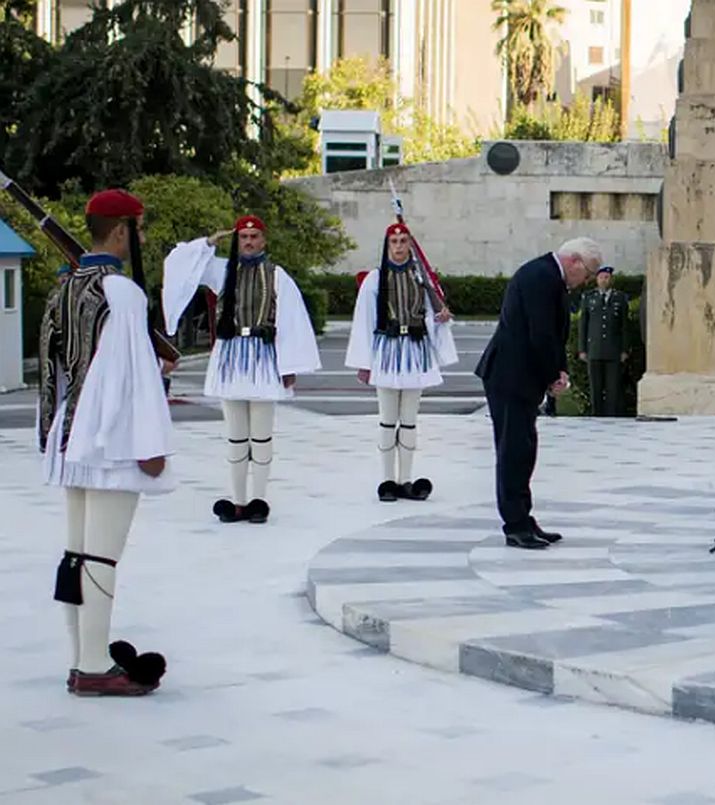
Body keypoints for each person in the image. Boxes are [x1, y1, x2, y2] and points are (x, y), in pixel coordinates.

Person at [38, 188, 174, 696]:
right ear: (120, 231)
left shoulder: (64, 286)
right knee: (101, 557)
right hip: (110, 439)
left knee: (76, 553)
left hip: (70, 437)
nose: (138, 238)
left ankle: (81, 659)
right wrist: (152, 444)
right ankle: (96, 668)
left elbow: (51, 372)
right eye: (136, 229)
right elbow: (135, 377)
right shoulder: (122, 293)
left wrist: (52, 432)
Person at [161, 215, 321, 525]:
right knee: (235, 436)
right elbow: (179, 262)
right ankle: (237, 500)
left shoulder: (277, 275)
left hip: (263, 357)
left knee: (260, 435)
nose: (248, 242)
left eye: (254, 236)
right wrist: (207, 242)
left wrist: (289, 366)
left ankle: (258, 499)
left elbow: (291, 320)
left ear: (264, 240)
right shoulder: (222, 270)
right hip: (231, 356)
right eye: (244, 236)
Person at [475, 238, 602, 549]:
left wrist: (558, 370)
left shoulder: (548, 276)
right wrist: (552, 376)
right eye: (585, 274)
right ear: (574, 261)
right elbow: (540, 333)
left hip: (521, 377)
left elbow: (553, 335)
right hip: (509, 376)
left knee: (524, 449)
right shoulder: (540, 276)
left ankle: (523, 518)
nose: (583, 282)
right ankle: (515, 524)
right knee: (513, 451)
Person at [345, 222, 457, 503]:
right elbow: (364, 320)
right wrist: (364, 361)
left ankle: (405, 479)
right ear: (387, 245)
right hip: (387, 350)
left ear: (410, 244)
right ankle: (387, 480)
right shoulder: (375, 279)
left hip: (415, 351)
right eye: (393, 241)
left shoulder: (422, 278)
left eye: (403, 241)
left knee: (409, 421)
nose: (398, 247)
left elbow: (433, 312)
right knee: (387, 420)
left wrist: (440, 317)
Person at [578, 265, 628, 417]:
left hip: (613, 349)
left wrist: (624, 349)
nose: (604, 280)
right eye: (601, 277)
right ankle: (597, 416)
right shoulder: (589, 297)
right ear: (597, 279)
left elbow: (624, 326)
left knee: (613, 387)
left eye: (607, 277)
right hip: (595, 348)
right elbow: (583, 324)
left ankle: (611, 416)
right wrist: (582, 349)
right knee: (596, 387)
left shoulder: (619, 298)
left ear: (611, 279)